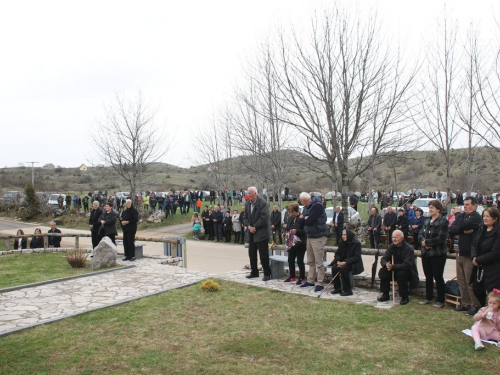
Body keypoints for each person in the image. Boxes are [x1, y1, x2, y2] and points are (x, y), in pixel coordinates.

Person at [449, 196, 482, 315]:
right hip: (459, 252)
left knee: (470, 281)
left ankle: (475, 305)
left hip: (469, 254)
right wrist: (462, 230)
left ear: (474, 206)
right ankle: (465, 303)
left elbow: (462, 225)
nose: (465, 207)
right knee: (461, 280)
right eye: (465, 204)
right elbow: (452, 228)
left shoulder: (475, 217)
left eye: (468, 204)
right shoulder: (463, 217)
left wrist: (458, 216)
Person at [418, 199, 449, 308]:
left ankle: (440, 299)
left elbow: (441, 237)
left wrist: (428, 242)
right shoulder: (427, 221)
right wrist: (423, 242)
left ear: (438, 210)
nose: (430, 209)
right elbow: (420, 233)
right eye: (429, 207)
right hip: (426, 253)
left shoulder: (443, 221)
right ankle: (428, 297)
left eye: (432, 207)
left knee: (438, 276)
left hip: (438, 253)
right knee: (428, 276)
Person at [377, 230, 419, 305]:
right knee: (383, 271)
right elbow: (383, 259)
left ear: (402, 238)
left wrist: (393, 267)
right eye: (393, 237)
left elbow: (407, 265)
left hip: (407, 272)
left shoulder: (409, 248)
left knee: (401, 274)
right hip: (394, 269)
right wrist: (386, 264)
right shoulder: (391, 247)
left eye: (396, 237)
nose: (394, 239)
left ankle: (404, 296)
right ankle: (385, 294)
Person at [471, 207, 500, 307]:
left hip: (493, 269)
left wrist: (479, 260)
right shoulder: (482, 229)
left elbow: (495, 253)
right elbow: (474, 244)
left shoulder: (498, 233)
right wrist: (474, 257)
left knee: (492, 294)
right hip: (479, 268)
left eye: (488, 216)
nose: (485, 218)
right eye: (484, 216)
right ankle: (484, 310)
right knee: (477, 290)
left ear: (495, 218)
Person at [300, 192, 328, 292]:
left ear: (308, 200)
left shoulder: (318, 206)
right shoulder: (306, 207)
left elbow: (309, 221)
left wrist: (305, 218)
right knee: (310, 260)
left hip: (318, 236)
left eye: (303, 202)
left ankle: (320, 282)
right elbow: (301, 220)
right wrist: (305, 218)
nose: (302, 204)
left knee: (319, 262)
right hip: (309, 236)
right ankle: (310, 280)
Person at [243, 187, 272, 281]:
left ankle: (267, 273)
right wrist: (249, 226)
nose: (248, 195)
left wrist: (255, 227)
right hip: (251, 233)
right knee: (251, 253)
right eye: (248, 193)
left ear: (255, 193)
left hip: (261, 233)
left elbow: (264, 218)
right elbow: (245, 217)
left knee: (263, 254)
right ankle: (254, 272)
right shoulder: (247, 203)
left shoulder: (262, 203)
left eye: (250, 193)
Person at [329, 228, 364, 296]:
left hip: (353, 263)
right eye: (342, 235)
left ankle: (347, 290)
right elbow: (338, 253)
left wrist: (345, 262)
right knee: (334, 268)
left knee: (344, 269)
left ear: (349, 235)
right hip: (342, 262)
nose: (343, 236)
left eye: (345, 235)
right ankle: (337, 288)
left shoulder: (356, 243)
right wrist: (338, 260)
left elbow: (356, 257)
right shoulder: (341, 242)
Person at [284, 203, 307, 284]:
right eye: (290, 212)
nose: (291, 214)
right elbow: (288, 229)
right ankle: (292, 276)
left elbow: (305, 231)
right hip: (292, 243)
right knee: (290, 259)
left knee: (300, 260)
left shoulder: (301, 218)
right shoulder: (290, 218)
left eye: (292, 212)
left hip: (300, 243)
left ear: (296, 211)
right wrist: (286, 233)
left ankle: (302, 278)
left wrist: (297, 231)